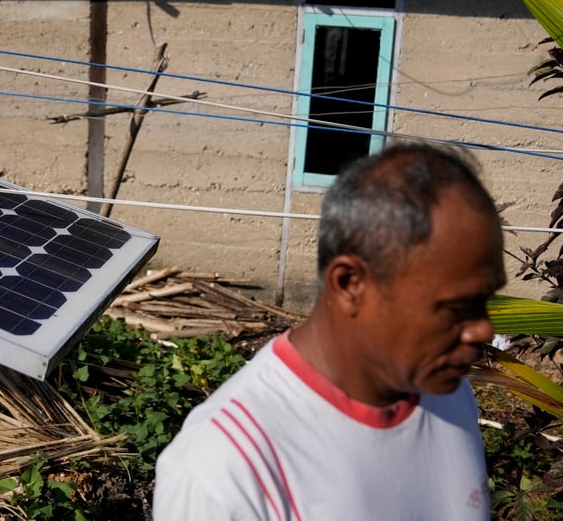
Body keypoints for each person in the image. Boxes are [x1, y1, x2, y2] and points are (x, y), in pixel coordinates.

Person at [152, 143, 506, 520]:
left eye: (485, 299)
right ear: (350, 283)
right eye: (456, 307)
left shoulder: (449, 397)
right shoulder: (222, 472)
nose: (484, 330)